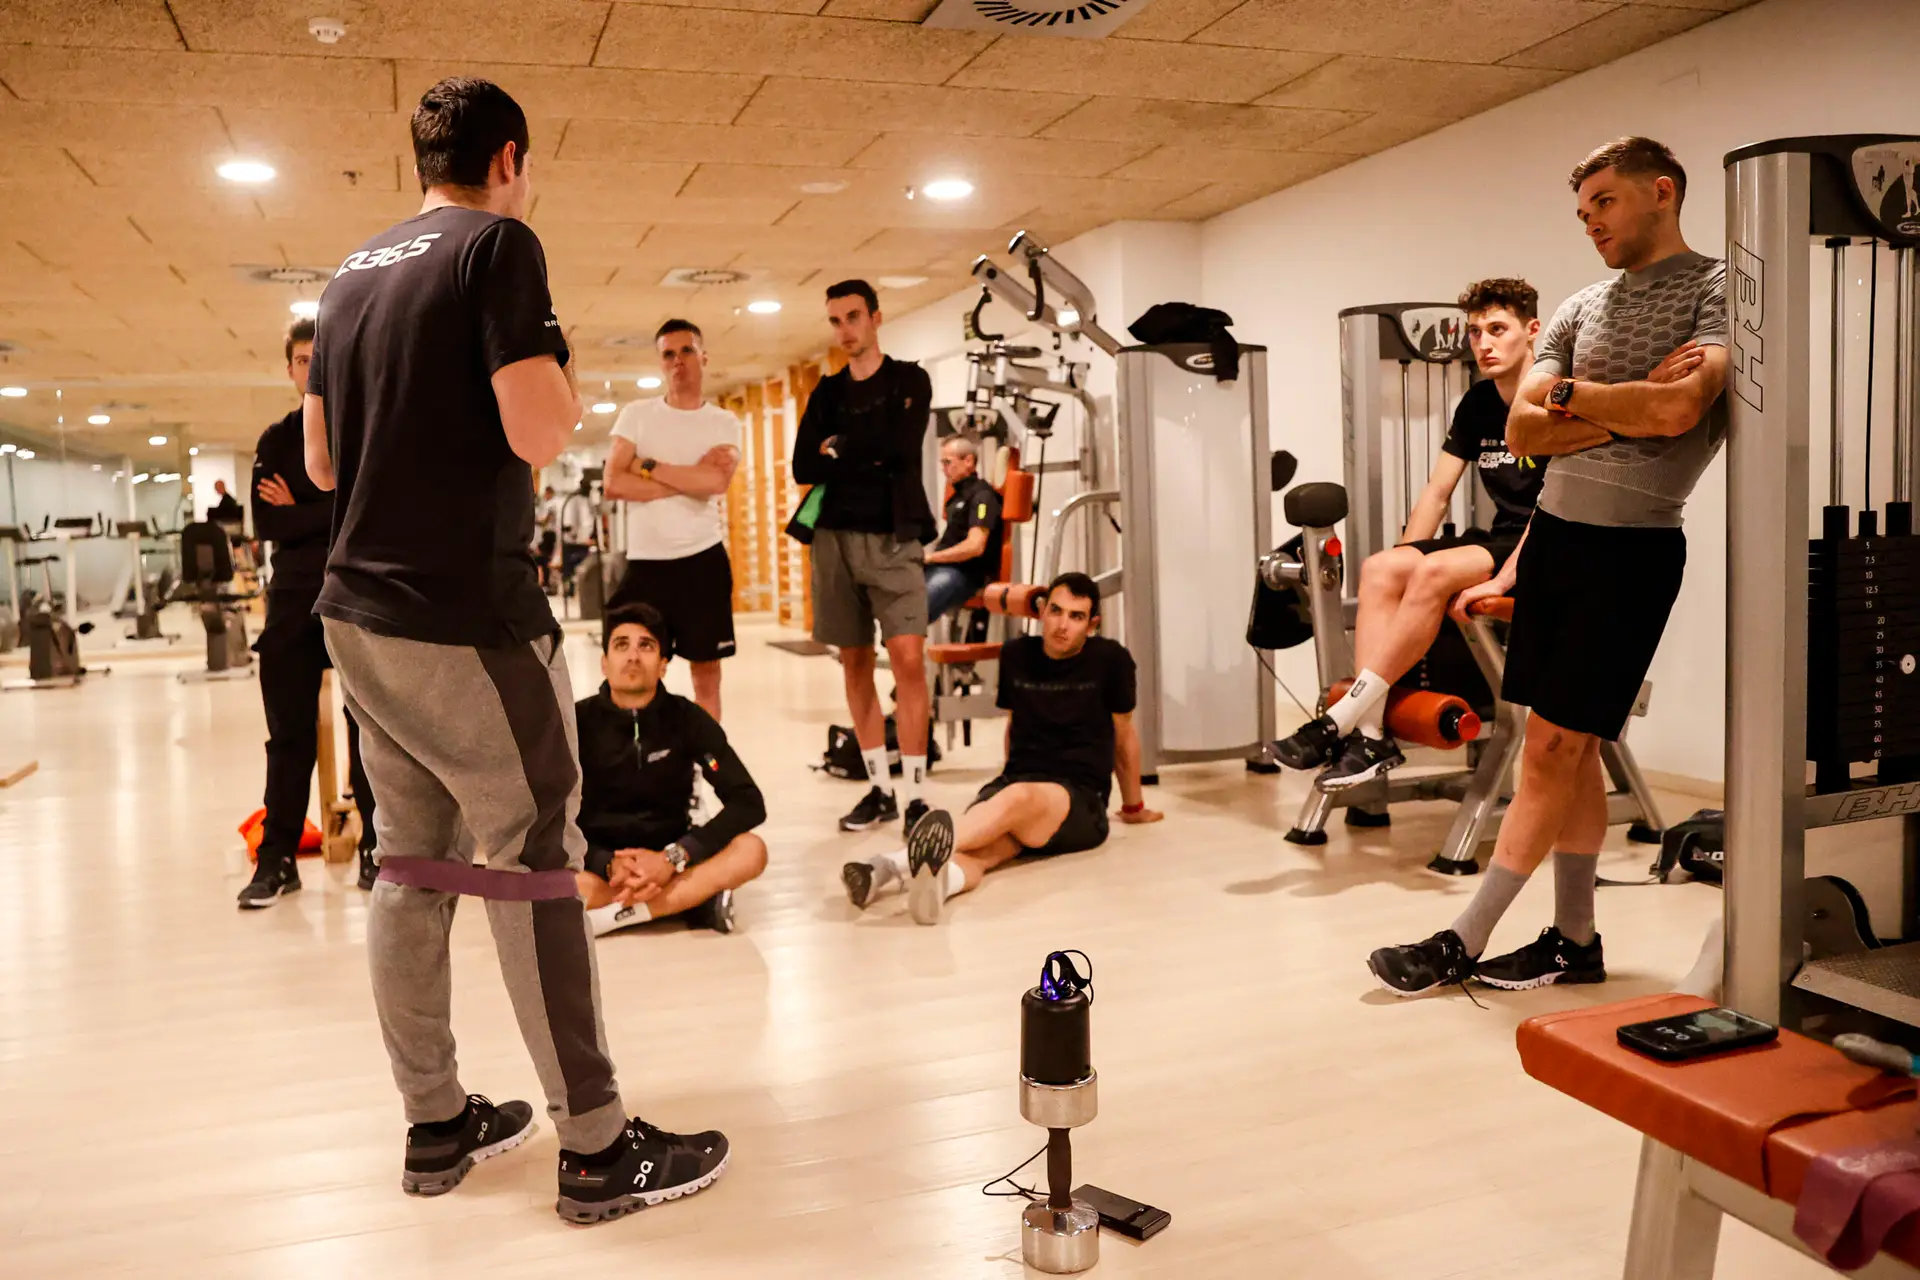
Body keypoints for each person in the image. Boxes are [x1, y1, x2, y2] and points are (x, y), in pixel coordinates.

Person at [303, 75, 726, 1224]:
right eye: (526, 169)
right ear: (508, 156)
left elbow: (325, 463)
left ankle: (437, 1120)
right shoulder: (499, 245)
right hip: (463, 614)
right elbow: (541, 429)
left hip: (359, 610)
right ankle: (596, 1143)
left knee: (414, 857)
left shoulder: (348, 276)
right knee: (538, 849)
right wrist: (567, 377)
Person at [1367, 136, 1728, 997]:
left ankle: (1463, 936)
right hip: (1557, 542)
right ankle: (1574, 941)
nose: (1591, 223)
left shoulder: (1716, 289)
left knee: (1556, 747)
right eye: (1582, 212)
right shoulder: (1579, 306)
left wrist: (1595, 403)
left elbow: (1685, 407)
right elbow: (1525, 432)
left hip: (1633, 547)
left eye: (1604, 203)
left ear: (1661, 192)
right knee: (1560, 744)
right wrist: (1622, 407)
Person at [1272, 278, 1544, 789]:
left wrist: (1503, 580)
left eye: (1498, 329)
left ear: (1531, 331)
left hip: (1546, 542)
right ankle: (1371, 734)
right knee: (1382, 567)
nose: (1484, 343)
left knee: (1435, 569)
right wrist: (1402, 566)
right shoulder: (1478, 404)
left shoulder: (1552, 398)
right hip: (1499, 538)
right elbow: (1438, 492)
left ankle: (1343, 719)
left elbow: (1555, 507)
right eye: (1476, 332)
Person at [841, 573, 1162, 925]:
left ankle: (888, 865)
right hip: (1017, 787)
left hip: (1080, 800)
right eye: (1056, 611)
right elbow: (1014, 726)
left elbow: (1123, 735)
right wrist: (1002, 789)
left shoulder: (1111, 659)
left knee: (1018, 798)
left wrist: (1133, 806)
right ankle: (938, 887)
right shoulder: (1016, 655)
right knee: (983, 851)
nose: (1062, 625)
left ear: (1092, 624)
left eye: (1076, 616)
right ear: (1041, 611)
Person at [238, 317, 379, 907]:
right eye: (302, 360)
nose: (312, 368)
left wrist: (307, 508)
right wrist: (334, 508)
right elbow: (269, 523)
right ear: (291, 369)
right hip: (294, 606)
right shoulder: (276, 441)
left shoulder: (371, 431)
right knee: (288, 737)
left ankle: (379, 847)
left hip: (362, 602)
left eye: (322, 358)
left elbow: (375, 516)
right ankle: (278, 860)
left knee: (371, 734)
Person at [792, 278, 937, 836]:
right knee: (854, 664)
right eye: (835, 321)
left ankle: (918, 795)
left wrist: (842, 447)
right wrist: (855, 453)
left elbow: (900, 450)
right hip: (833, 540)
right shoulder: (827, 393)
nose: (845, 330)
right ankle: (879, 789)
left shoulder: (909, 380)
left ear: (876, 317)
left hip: (895, 538)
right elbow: (805, 463)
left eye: (853, 317)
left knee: (906, 660)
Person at [574, 604, 767, 937]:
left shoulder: (688, 719)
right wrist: (605, 862)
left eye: (646, 646)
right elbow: (545, 816)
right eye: (621, 645)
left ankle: (616, 916)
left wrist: (672, 858)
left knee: (752, 850)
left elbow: (747, 802)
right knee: (549, 881)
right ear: (604, 662)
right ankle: (687, 901)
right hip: (598, 867)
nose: (633, 656)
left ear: (663, 666)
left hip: (673, 859)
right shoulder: (576, 722)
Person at [603, 320, 741, 720]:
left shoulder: (723, 422)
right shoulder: (636, 415)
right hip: (647, 565)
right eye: (668, 354)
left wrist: (645, 465)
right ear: (661, 363)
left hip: (702, 560)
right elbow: (613, 482)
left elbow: (716, 480)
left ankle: (706, 767)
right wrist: (687, 479)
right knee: (634, 671)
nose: (678, 361)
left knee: (707, 676)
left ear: (703, 357)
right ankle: (642, 763)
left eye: (686, 351)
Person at [922, 435, 1004, 625]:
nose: (943, 470)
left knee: (913, 612)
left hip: (966, 573)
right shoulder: (956, 498)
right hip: (944, 567)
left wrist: (930, 557)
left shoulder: (983, 496)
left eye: (947, 463)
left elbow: (975, 547)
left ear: (968, 461)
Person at [558, 477, 597, 598]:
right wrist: (573, 534)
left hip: (583, 541)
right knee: (569, 569)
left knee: (582, 566)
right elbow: (570, 522)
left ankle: (575, 589)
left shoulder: (587, 500)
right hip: (571, 541)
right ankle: (568, 589)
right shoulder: (573, 499)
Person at [534, 484, 558, 592]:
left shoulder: (551, 505)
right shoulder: (551, 504)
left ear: (549, 493)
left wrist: (533, 520)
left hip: (549, 534)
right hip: (549, 534)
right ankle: (546, 583)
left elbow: (545, 521)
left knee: (543, 559)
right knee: (544, 559)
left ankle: (547, 584)